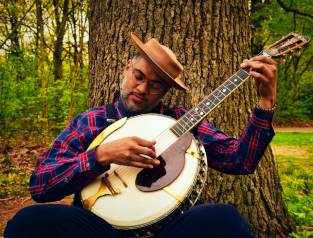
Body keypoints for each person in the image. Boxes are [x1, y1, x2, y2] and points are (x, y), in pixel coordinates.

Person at [4, 32, 277, 238]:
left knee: (227, 219)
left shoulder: (182, 121)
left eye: (155, 86)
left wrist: (266, 102)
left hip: (168, 230)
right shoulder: (90, 122)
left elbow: (240, 161)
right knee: (28, 221)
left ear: (165, 92)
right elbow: (40, 185)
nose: (142, 88)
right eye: (138, 76)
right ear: (126, 69)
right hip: (98, 229)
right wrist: (100, 155)